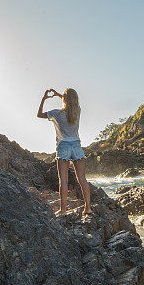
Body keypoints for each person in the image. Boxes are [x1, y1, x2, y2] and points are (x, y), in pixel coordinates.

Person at [37, 88, 92, 216]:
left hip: (64, 147)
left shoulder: (56, 113)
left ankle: (63, 210)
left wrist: (45, 98)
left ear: (64, 100)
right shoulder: (77, 112)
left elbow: (39, 114)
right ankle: (88, 208)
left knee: (63, 181)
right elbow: (72, 102)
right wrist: (60, 96)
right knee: (82, 179)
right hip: (77, 147)